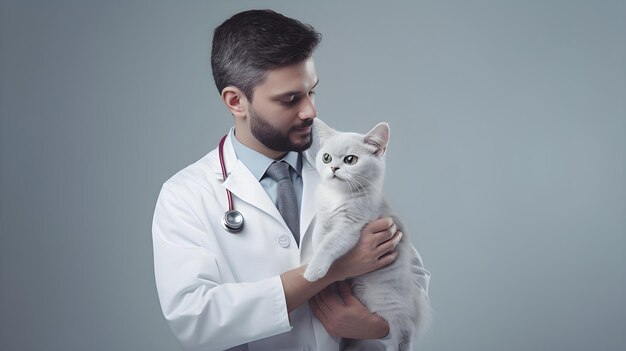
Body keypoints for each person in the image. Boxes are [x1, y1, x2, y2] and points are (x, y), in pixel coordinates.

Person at [152, 9, 430, 351]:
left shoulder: (347, 171)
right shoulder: (186, 195)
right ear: (236, 101)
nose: (310, 111)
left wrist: (377, 327)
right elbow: (195, 319)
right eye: (290, 99)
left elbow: (409, 276)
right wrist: (334, 268)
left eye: (311, 92)